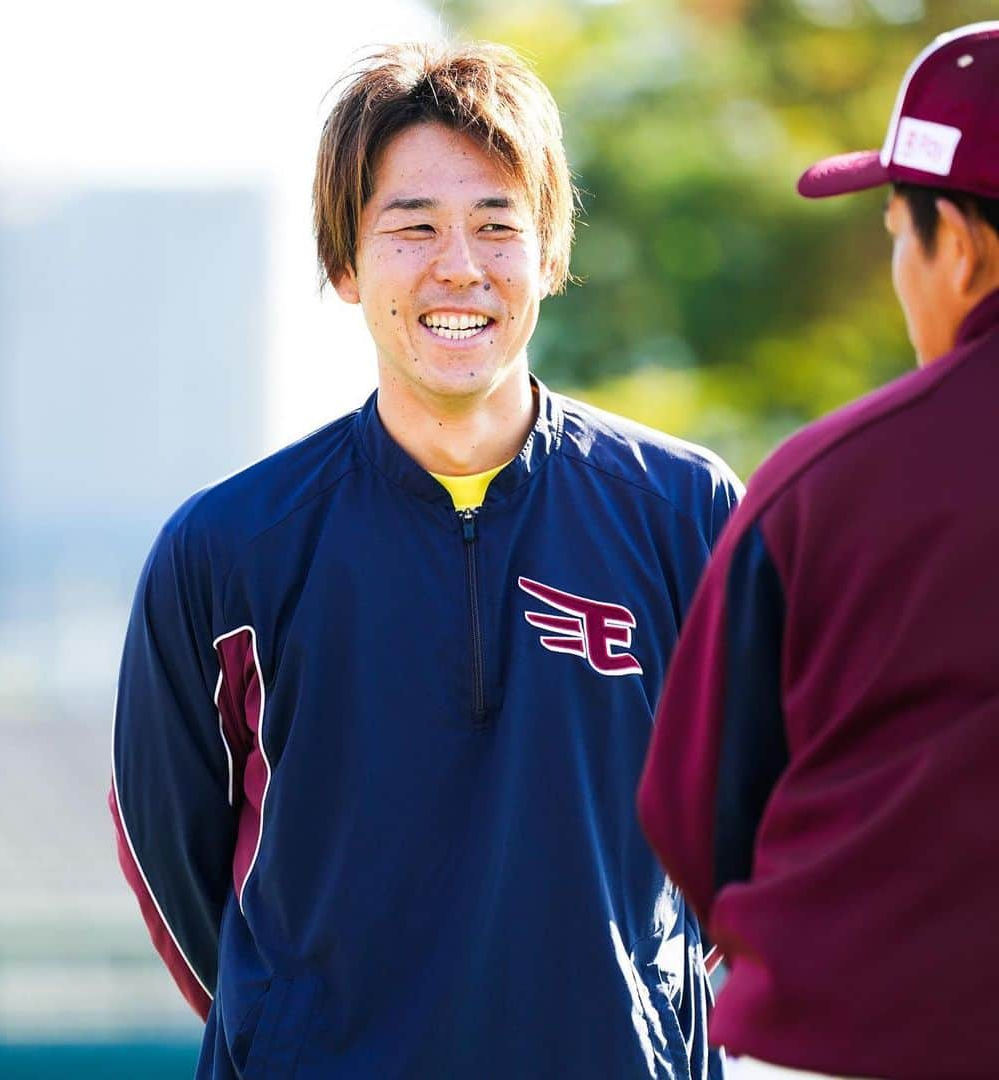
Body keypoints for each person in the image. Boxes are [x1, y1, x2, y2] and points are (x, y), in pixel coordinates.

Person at [111, 40, 741, 1078]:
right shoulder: (228, 550)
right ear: (346, 265)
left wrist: (646, 1012)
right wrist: (292, 1034)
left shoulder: (683, 514)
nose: (461, 265)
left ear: (548, 257)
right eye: (413, 228)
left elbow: (760, 821)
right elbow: (170, 857)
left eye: (498, 225)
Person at [638, 21, 999, 1080]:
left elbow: (693, 809)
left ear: (965, 247)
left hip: (844, 1043)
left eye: (897, 229)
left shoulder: (824, 482)